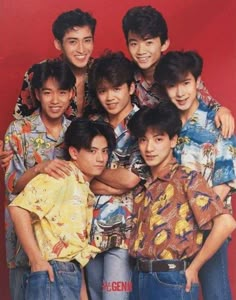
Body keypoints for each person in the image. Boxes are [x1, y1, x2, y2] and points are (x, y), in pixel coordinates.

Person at [127, 102, 236, 300]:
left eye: (158, 139)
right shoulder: (143, 187)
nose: (149, 148)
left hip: (171, 279)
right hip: (139, 278)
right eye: (143, 140)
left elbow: (226, 223)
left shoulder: (187, 178)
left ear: (173, 141)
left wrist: (194, 268)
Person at [154, 50, 236, 300]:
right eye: (172, 86)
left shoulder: (218, 123)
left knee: (216, 293)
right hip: (171, 228)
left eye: (186, 83)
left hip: (209, 224)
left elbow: (225, 183)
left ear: (198, 82)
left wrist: (196, 220)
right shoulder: (165, 125)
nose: (180, 93)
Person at [8, 118, 116, 300]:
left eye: (105, 151)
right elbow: (18, 209)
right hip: (52, 272)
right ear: (74, 152)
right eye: (92, 151)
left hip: (69, 272)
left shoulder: (80, 185)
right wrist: (37, 261)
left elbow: (74, 250)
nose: (101, 158)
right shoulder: (61, 176)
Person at [4, 59, 76, 300]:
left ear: (71, 94)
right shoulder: (18, 130)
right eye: (47, 92)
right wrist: (39, 169)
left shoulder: (78, 132)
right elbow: (11, 185)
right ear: (37, 94)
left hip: (65, 243)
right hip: (25, 244)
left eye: (62, 92)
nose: (55, 100)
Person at [85, 51, 146, 300]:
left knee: (115, 297)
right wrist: (118, 184)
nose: (109, 97)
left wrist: (96, 174)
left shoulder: (143, 123)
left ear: (131, 87)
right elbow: (80, 177)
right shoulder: (91, 123)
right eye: (102, 90)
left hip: (123, 235)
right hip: (87, 231)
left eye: (117, 88)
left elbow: (132, 179)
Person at [0, 8, 96, 166]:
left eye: (87, 40)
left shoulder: (101, 73)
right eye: (73, 41)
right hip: (47, 164)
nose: (81, 49)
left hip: (94, 161)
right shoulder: (39, 73)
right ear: (58, 44)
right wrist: (8, 152)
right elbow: (20, 126)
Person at [122, 5, 234, 138]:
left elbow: (208, 103)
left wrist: (222, 110)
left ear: (164, 44)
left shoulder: (178, 70)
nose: (141, 51)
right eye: (134, 43)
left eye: (148, 43)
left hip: (184, 142)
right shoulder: (126, 75)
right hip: (146, 145)